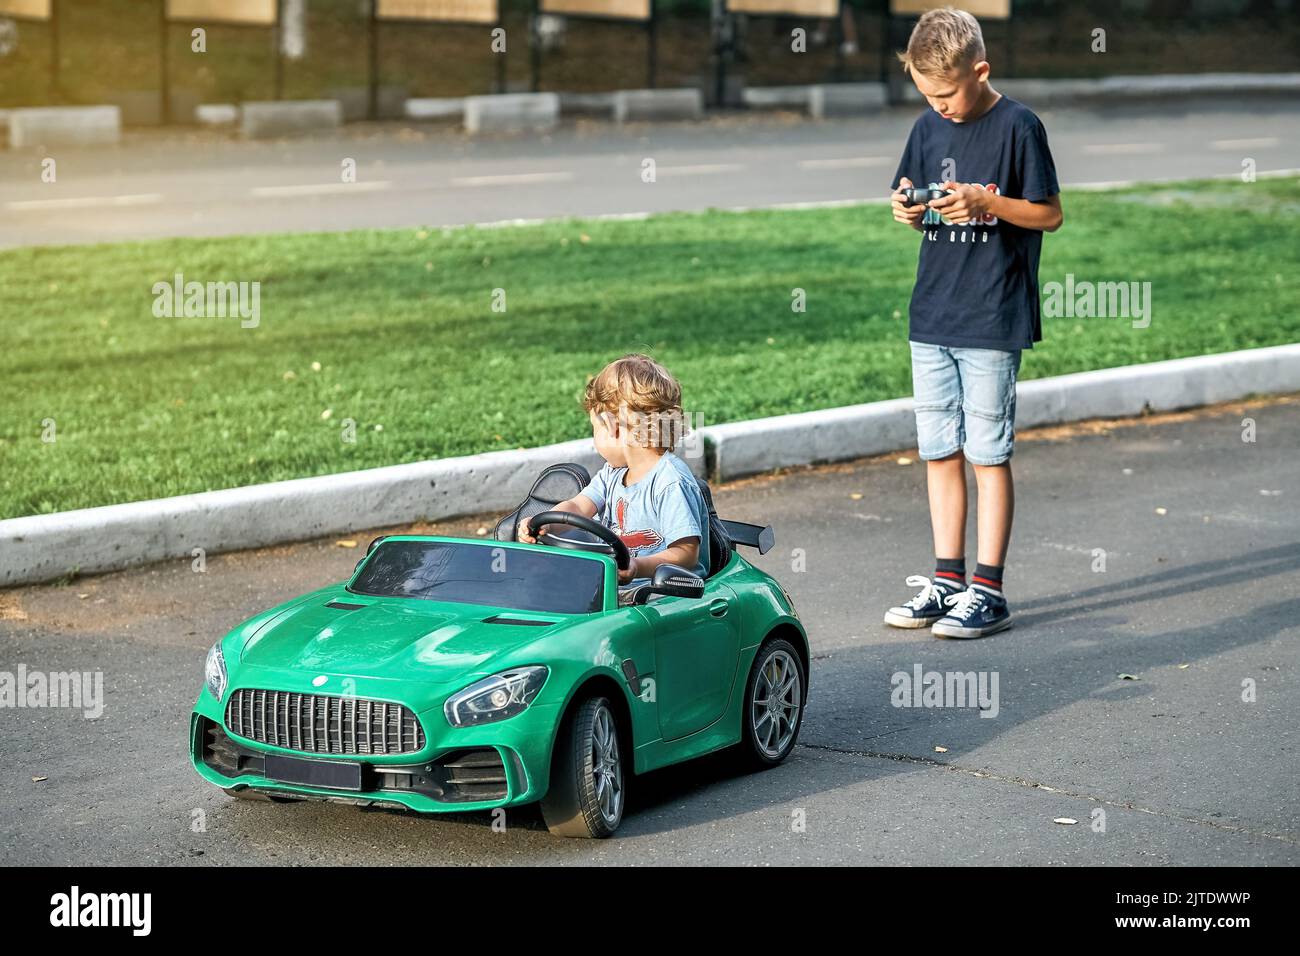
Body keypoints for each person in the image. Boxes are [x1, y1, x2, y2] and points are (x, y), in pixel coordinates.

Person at [884, 6, 1063, 638]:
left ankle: (989, 589)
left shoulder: (1019, 126)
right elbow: (914, 197)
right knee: (938, 451)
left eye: (947, 93)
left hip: (992, 314)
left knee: (988, 453)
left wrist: (988, 201)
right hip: (932, 312)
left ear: (979, 70)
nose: (939, 107)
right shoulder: (928, 128)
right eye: (926, 95)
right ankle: (946, 580)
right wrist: (910, 211)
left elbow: (1049, 215)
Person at [518, 353, 708, 590]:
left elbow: (686, 554)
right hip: (618, 592)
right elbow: (577, 507)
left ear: (613, 427)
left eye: (595, 429)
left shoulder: (671, 480)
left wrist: (637, 566)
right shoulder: (613, 474)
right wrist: (546, 524)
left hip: (668, 594)